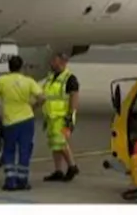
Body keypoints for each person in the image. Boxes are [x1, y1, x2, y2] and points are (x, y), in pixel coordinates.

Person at [0, 55, 45, 191]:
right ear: (21, 67)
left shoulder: (2, 81)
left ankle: (10, 181)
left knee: (9, 151)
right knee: (25, 151)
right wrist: (32, 107)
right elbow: (42, 97)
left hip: (10, 122)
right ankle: (23, 181)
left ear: (9, 67)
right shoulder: (28, 81)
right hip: (26, 120)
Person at [40, 52, 81, 182]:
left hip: (63, 118)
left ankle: (72, 166)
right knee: (54, 145)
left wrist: (71, 116)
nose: (51, 63)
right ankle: (58, 170)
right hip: (52, 118)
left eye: (54, 60)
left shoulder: (70, 79)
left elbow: (74, 98)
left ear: (62, 62)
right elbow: (45, 96)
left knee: (61, 143)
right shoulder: (51, 77)